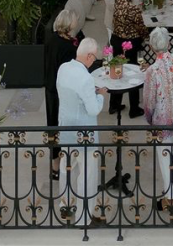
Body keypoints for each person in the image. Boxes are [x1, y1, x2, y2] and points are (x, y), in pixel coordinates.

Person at [56, 38, 108, 226]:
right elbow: (93, 109)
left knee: (66, 168)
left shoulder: (63, 68)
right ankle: (84, 217)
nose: (94, 61)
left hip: (65, 127)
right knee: (87, 173)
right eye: (94, 57)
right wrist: (100, 95)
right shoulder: (86, 78)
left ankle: (65, 205)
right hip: (84, 133)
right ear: (88, 55)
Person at [142, 27, 173, 210]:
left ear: (152, 48)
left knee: (164, 155)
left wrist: (149, 118)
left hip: (162, 117)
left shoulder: (152, 71)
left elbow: (149, 100)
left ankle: (170, 198)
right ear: (168, 43)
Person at [43, 9, 80, 180]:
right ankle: (64, 163)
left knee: (53, 125)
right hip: (62, 91)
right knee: (63, 124)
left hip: (50, 88)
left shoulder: (52, 40)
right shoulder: (68, 46)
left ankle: (55, 166)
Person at [110, 0, 148, 118]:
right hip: (131, 43)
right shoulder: (133, 8)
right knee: (134, 73)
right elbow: (141, 27)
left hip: (116, 40)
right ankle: (134, 108)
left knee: (117, 71)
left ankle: (114, 104)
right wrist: (145, 37)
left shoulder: (118, 1)